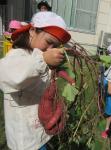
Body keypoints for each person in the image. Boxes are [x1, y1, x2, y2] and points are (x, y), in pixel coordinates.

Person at [0, 11, 71, 150]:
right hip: (24, 139)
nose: (50, 49)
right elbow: (11, 76)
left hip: (40, 129)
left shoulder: (42, 58)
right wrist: (43, 59)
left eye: (55, 46)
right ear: (32, 31)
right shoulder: (18, 55)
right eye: (49, 42)